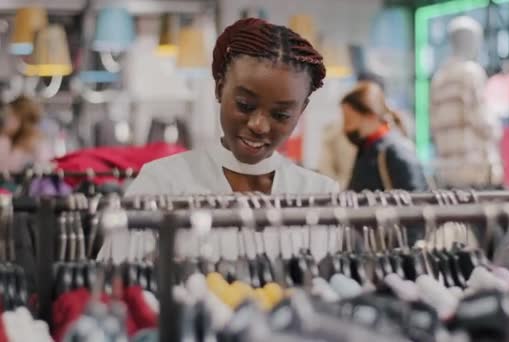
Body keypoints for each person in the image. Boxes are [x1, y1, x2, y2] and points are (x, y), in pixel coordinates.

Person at [98, 18, 339, 261]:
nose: (259, 125)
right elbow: (111, 283)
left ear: (301, 110)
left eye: (280, 114)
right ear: (219, 89)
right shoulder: (161, 183)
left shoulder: (319, 194)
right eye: (245, 105)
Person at [429, 16, 503, 189]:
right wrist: (496, 126)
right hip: (475, 168)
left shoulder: (439, 77)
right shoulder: (471, 72)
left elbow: (434, 123)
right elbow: (482, 121)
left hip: (448, 170)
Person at [342, 81, 427, 191]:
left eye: (349, 120)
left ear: (370, 116)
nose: (345, 128)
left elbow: (415, 199)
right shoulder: (367, 149)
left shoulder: (396, 150)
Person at [0, 96, 50, 172]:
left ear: (21, 119)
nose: (6, 121)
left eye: (10, 116)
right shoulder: (7, 140)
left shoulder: (36, 145)